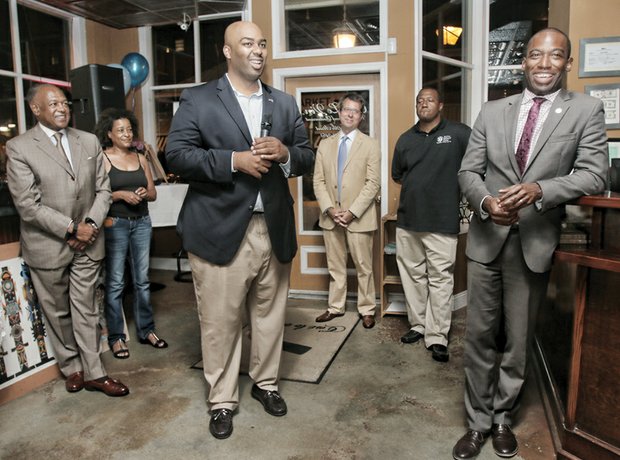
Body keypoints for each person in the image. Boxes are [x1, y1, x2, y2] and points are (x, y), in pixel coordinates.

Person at [452, 28, 608, 460]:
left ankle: (503, 418)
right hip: (486, 240)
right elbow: (469, 172)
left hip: (534, 242)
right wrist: (484, 202)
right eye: (536, 55)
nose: (544, 64)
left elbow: (595, 174)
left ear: (567, 64)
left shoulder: (586, 110)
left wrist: (541, 189)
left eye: (554, 56)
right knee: (479, 336)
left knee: (518, 340)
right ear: (524, 61)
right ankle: (477, 423)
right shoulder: (492, 109)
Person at [165, 21, 314, 440]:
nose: (258, 50)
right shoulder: (197, 99)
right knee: (220, 322)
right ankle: (223, 401)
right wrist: (233, 162)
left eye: (262, 43)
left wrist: (286, 153)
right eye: (247, 43)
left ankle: (266, 384)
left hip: (274, 227)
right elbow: (176, 154)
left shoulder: (284, 103)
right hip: (219, 229)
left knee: (270, 317)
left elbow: (307, 156)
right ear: (227, 51)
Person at [6, 84, 129, 397]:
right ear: (35, 109)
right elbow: (28, 205)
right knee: (58, 312)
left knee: (86, 308)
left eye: (64, 102)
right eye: (53, 103)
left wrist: (88, 225)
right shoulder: (20, 148)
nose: (62, 108)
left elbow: (103, 189)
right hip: (48, 246)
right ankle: (72, 367)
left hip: (88, 243)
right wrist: (72, 229)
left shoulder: (87, 140)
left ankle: (95, 373)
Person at [391, 88, 471, 362]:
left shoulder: (459, 134)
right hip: (408, 221)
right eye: (419, 101)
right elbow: (398, 175)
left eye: (429, 100)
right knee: (412, 277)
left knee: (440, 280)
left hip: (442, 221)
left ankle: (437, 336)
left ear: (440, 105)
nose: (423, 104)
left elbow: (474, 166)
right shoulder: (405, 139)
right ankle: (418, 325)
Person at [94, 108, 167, 360]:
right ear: (109, 134)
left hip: (142, 223)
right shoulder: (103, 159)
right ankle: (116, 338)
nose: (127, 134)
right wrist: (120, 194)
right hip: (116, 224)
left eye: (129, 129)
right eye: (121, 130)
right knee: (115, 283)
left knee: (142, 281)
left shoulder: (141, 158)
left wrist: (146, 194)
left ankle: (146, 330)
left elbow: (154, 193)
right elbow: (97, 196)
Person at [313, 93, 380, 329]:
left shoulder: (371, 145)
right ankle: (335, 307)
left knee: (364, 267)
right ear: (339, 113)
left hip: (359, 218)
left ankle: (367, 309)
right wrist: (330, 209)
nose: (350, 114)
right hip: (331, 217)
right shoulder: (325, 144)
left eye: (356, 111)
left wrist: (351, 212)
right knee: (336, 266)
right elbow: (318, 181)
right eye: (346, 110)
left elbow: (373, 183)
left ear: (361, 117)